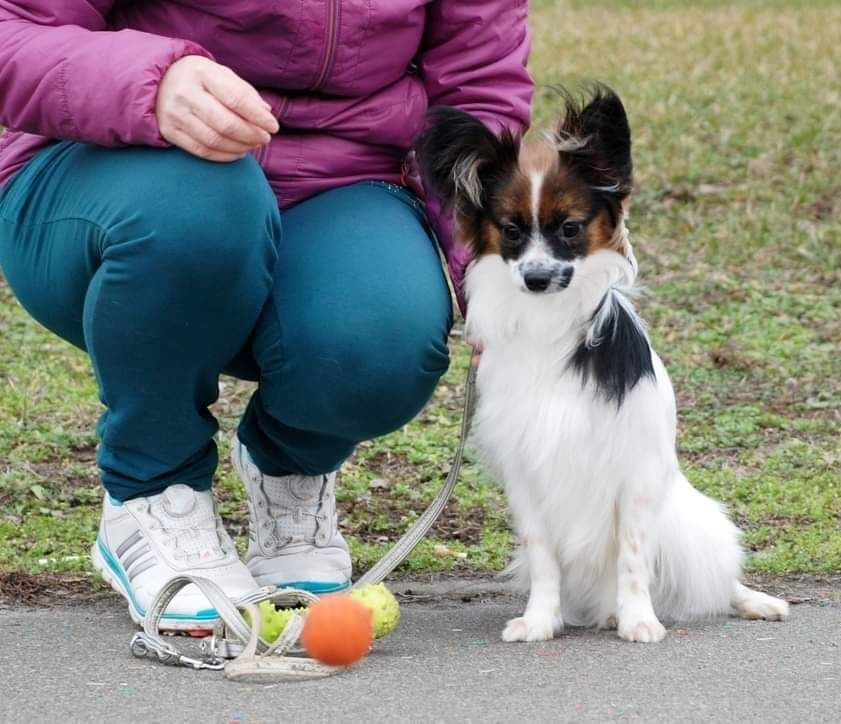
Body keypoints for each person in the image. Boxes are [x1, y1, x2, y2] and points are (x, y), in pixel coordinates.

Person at [0, 1, 532, 631]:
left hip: (342, 177)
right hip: (118, 170)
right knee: (200, 211)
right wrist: (151, 81)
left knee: (381, 338)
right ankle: (151, 492)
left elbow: (478, 93)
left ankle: (289, 473)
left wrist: (495, 282)